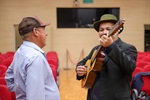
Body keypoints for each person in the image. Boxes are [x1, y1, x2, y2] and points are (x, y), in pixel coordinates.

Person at [76, 14, 137, 100]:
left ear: (117, 30)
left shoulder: (128, 48)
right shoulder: (96, 49)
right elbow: (83, 62)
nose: (104, 32)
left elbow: (130, 67)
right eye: (101, 30)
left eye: (108, 29)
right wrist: (79, 69)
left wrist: (111, 46)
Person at [5, 16, 60, 100]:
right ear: (36, 32)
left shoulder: (20, 52)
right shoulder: (35, 57)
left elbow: (9, 78)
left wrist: (22, 91)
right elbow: (35, 97)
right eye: (43, 30)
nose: (46, 34)